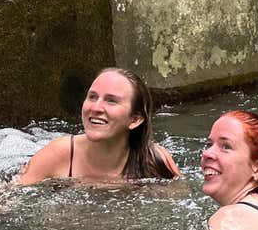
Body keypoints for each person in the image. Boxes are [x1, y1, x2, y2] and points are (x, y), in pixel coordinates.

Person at [16, 68, 180, 185]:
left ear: (135, 120)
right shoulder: (58, 154)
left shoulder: (155, 161)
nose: (95, 108)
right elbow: (9, 195)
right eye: (92, 97)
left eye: (111, 100)